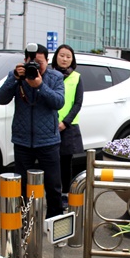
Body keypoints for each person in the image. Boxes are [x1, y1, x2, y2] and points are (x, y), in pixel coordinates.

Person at [0, 43, 65, 218]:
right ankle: (27, 221)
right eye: (31, 62)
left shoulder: (55, 77)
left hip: (48, 140)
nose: (35, 66)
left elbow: (59, 102)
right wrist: (14, 78)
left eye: (39, 63)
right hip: (22, 140)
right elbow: (1, 99)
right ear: (25, 61)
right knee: (23, 186)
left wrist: (40, 85)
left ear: (47, 62)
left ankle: (54, 221)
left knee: (53, 186)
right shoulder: (17, 77)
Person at [51, 44, 84, 208]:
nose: (64, 59)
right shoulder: (48, 74)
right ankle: (52, 194)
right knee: (50, 162)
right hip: (49, 125)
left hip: (68, 127)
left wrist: (65, 122)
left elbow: (78, 103)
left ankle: (64, 194)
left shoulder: (77, 77)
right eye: (62, 55)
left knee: (65, 163)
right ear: (56, 56)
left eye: (68, 56)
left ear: (72, 59)